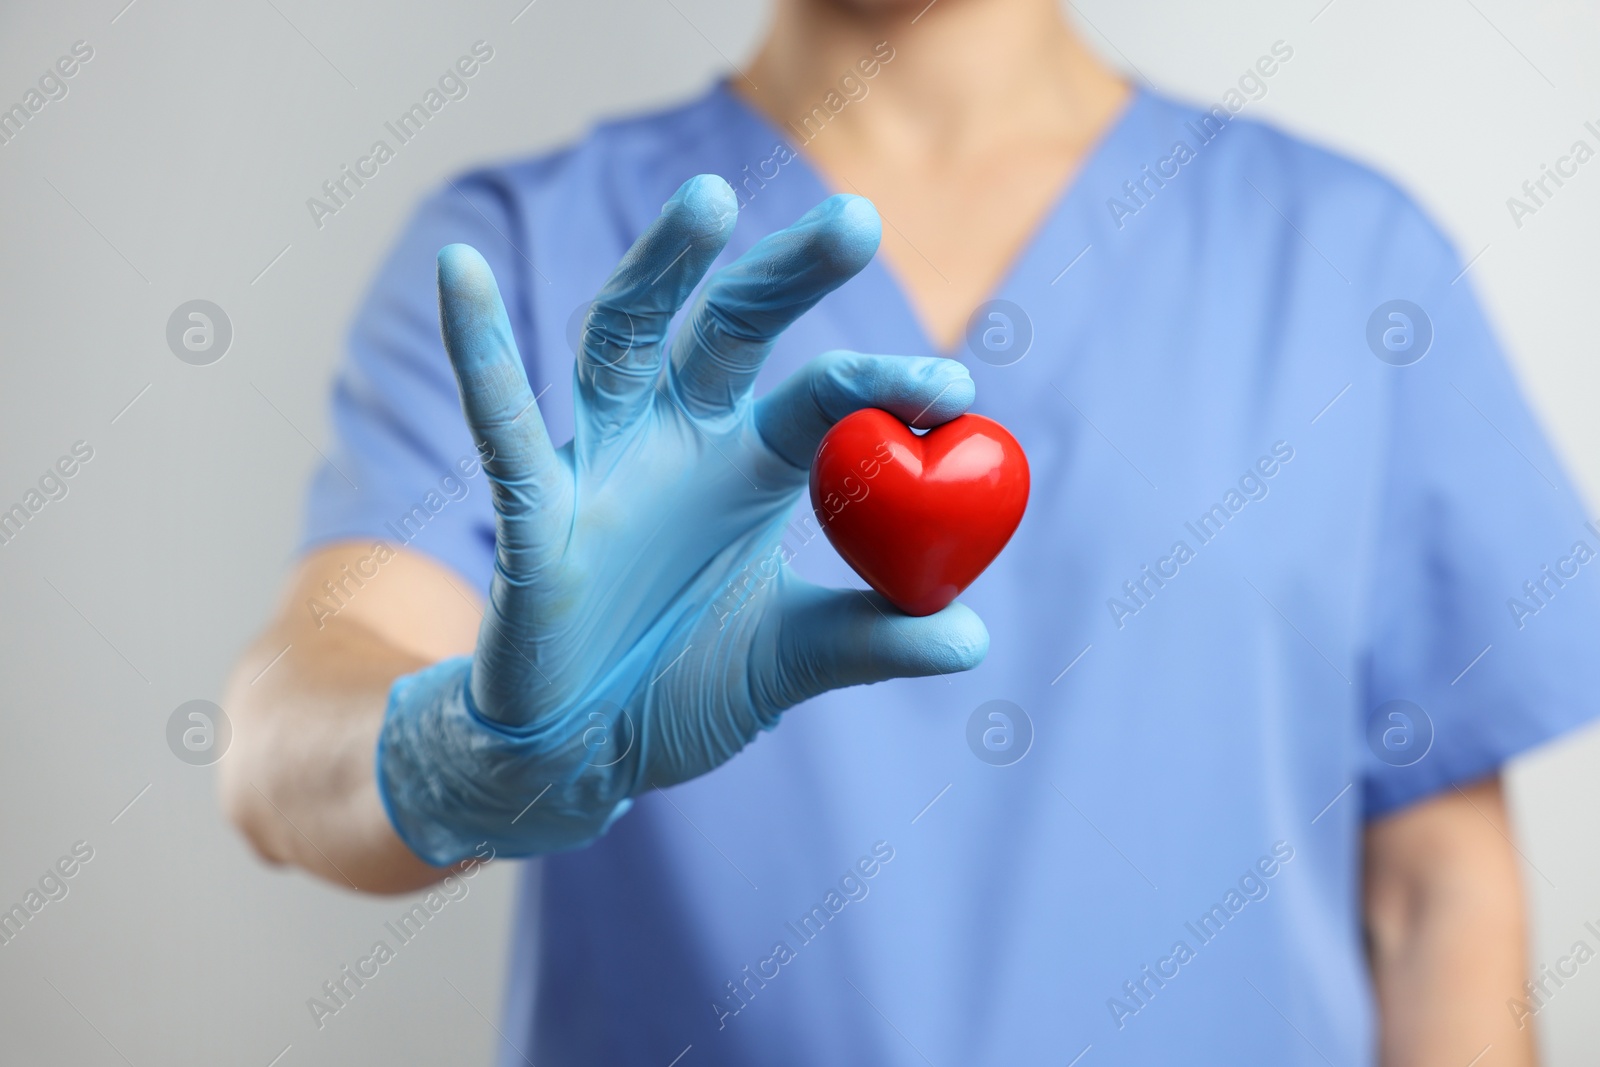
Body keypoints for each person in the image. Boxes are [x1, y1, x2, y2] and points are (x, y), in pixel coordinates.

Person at [220, 0, 1600, 1063]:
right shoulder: (522, 253)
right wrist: (470, 753)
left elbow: (1438, 904)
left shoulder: (1356, 265)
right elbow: (282, 746)